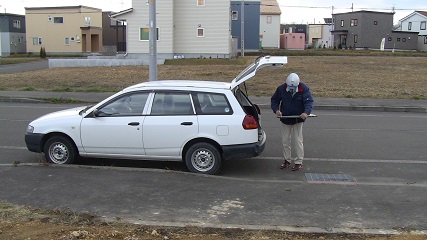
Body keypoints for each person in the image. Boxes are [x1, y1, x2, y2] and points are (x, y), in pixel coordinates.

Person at [271, 73, 314, 171]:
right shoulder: (281, 88)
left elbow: (309, 102)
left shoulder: (304, 88)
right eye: (290, 87)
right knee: (285, 141)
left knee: (298, 140)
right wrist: (276, 110)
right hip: (285, 118)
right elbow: (274, 100)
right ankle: (287, 160)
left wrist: (306, 112)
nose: (291, 89)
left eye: (293, 87)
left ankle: (299, 161)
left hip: (298, 119)